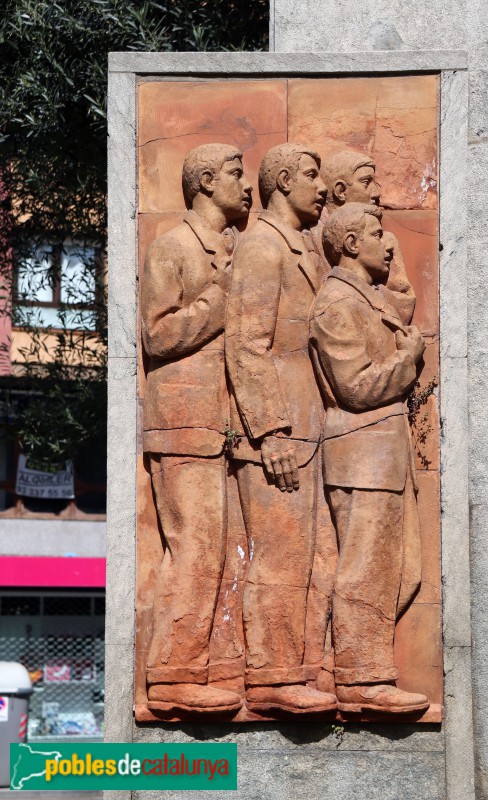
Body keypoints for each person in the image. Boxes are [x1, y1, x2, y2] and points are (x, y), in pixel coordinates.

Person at [225, 143, 337, 715]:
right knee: (280, 557)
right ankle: (269, 679)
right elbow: (246, 346)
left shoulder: (301, 247)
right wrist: (270, 433)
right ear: (283, 180)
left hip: (308, 426)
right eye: (313, 177)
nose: (322, 187)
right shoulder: (262, 248)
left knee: (308, 557)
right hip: (277, 433)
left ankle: (296, 672)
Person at [141, 143, 252, 714]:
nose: (247, 185)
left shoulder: (226, 249)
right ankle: (170, 675)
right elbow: (157, 336)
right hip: (183, 425)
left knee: (224, 554)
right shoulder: (174, 248)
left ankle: (206, 666)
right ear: (207, 182)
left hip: (222, 428)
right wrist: (221, 295)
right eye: (236, 174)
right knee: (197, 549)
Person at [309, 202, 429, 713]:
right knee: (366, 570)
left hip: (382, 455)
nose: (390, 244)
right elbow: (355, 387)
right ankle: (361, 679)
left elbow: (401, 294)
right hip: (360, 454)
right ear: (352, 245)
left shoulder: (369, 298)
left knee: (404, 571)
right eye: (379, 236)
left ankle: (356, 664)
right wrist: (409, 359)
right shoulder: (335, 303)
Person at [316, 151, 415, 325]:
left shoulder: (385, 241)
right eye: (366, 182)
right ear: (341, 191)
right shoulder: (310, 238)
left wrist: (363, 297)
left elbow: (403, 301)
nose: (376, 193)